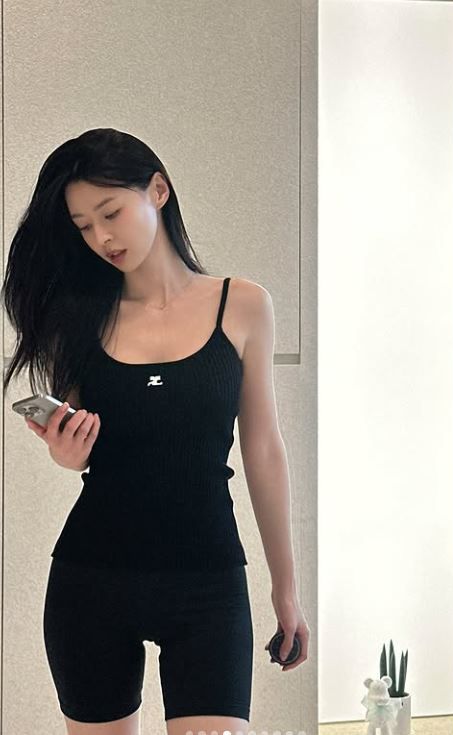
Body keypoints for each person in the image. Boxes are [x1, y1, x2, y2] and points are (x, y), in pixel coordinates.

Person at [2, 128, 310, 735]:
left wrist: (286, 588)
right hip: (91, 582)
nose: (101, 237)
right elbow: (79, 448)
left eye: (111, 213)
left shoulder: (243, 305)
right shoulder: (77, 319)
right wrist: (66, 454)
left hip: (208, 583)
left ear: (158, 191)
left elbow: (264, 452)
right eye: (83, 225)